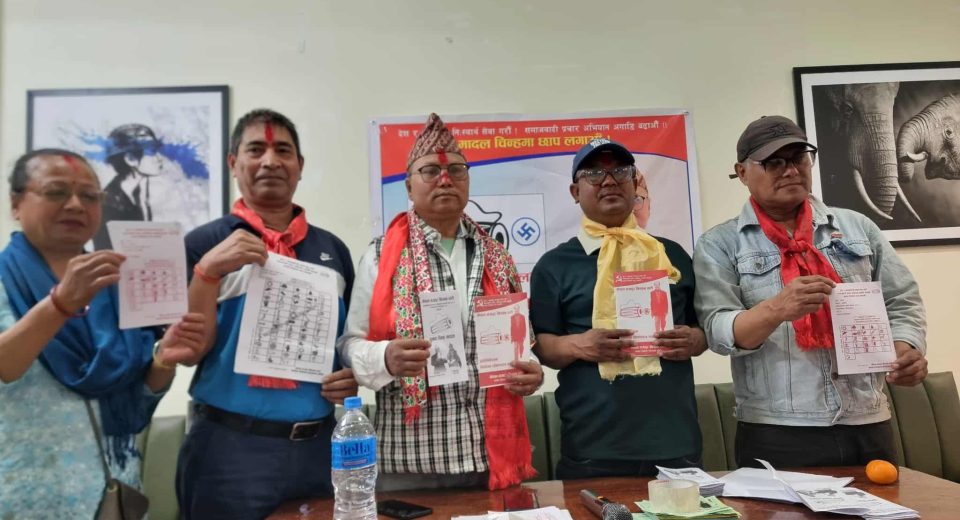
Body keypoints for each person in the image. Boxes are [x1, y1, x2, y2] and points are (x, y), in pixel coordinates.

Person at [693, 115, 928, 468]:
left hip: (866, 419)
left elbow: (902, 301)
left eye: (799, 158)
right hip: (776, 428)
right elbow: (718, 331)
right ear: (742, 172)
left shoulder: (857, 228)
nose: (790, 170)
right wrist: (776, 309)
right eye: (773, 162)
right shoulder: (720, 244)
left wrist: (905, 351)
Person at [339, 113, 542, 492]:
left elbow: (521, 342)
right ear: (408, 185)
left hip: (489, 458)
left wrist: (532, 373)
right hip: (410, 460)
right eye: (431, 171)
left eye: (456, 171)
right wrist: (385, 357)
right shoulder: (382, 256)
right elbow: (350, 345)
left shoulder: (498, 256)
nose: (445, 180)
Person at [173, 109, 358, 519]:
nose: (270, 161)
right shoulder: (202, 243)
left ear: (300, 165)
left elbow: (347, 341)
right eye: (256, 150)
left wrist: (350, 374)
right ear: (233, 162)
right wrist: (207, 272)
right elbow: (185, 352)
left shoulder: (332, 250)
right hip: (229, 450)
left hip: (318, 449)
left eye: (283, 151)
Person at [0, 149, 203, 517]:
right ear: (16, 203)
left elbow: (137, 398)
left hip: (113, 492)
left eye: (90, 196)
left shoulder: (119, 283)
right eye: (56, 192)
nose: (76, 205)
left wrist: (162, 360)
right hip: (24, 492)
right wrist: (59, 305)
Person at [529, 138, 706, 479]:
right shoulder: (554, 265)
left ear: (635, 184)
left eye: (621, 172)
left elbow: (704, 331)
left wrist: (694, 340)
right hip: (593, 445)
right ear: (575, 191)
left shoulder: (671, 254)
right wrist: (579, 345)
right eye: (594, 174)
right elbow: (542, 346)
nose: (609, 181)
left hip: (675, 441)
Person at [93, 124, 164, 249]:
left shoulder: (139, 191)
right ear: (130, 159)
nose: (159, 158)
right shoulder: (110, 203)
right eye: (152, 152)